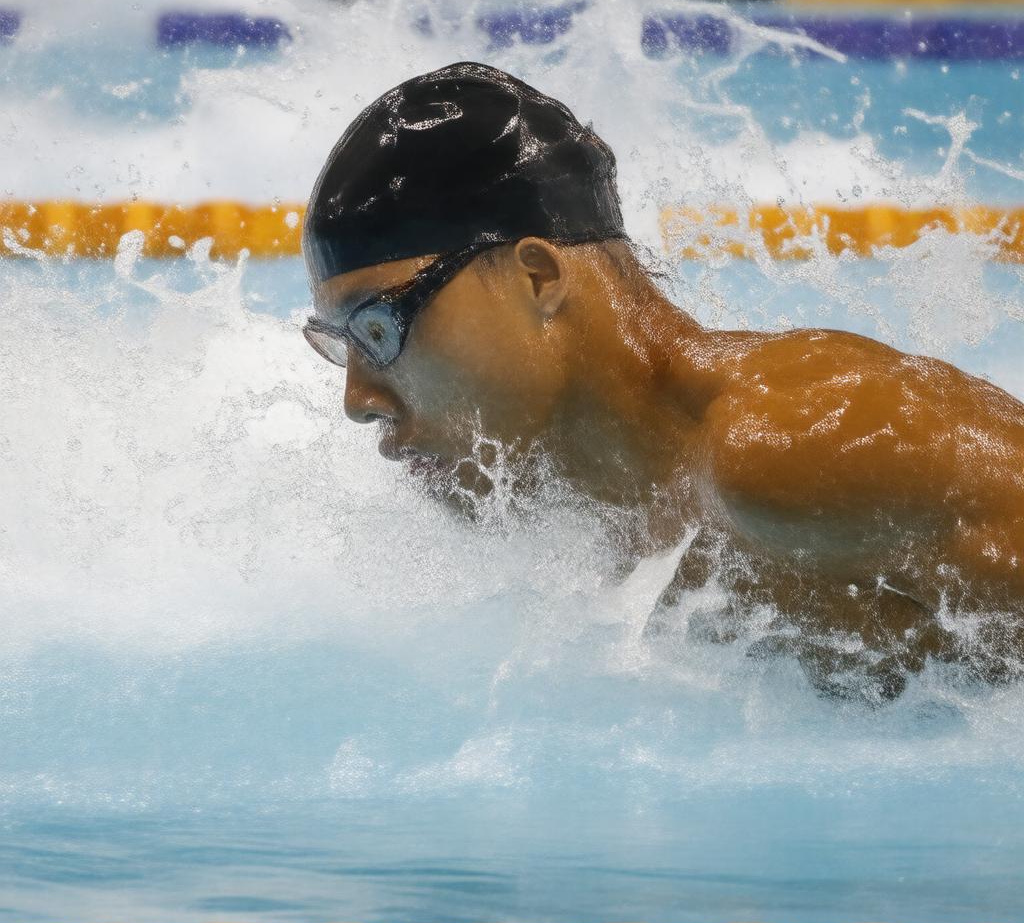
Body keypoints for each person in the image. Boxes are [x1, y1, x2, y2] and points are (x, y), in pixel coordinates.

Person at [301, 62, 1024, 699]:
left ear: (536, 278)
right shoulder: (603, 522)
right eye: (340, 347)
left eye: (378, 329)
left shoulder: (793, 446)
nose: (358, 400)